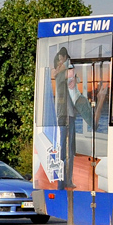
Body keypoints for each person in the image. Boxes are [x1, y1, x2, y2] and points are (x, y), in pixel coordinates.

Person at [51, 47, 77, 189]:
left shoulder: (68, 73)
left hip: (71, 115)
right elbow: (62, 73)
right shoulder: (60, 75)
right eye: (61, 60)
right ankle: (61, 182)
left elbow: (72, 77)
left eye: (64, 59)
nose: (63, 62)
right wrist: (65, 66)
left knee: (71, 151)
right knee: (62, 150)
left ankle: (69, 180)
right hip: (62, 115)